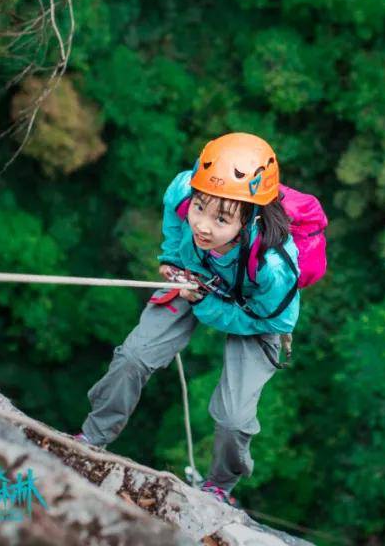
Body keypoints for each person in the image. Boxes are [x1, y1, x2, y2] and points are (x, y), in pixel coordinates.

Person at [74, 133, 300, 507]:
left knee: (234, 418)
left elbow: (269, 318)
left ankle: (219, 487)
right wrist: (173, 262)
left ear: (250, 218)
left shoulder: (275, 267)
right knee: (132, 357)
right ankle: (91, 438)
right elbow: (176, 219)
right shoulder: (184, 190)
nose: (203, 226)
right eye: (199, 208)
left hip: (253, 316)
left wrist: (207, 304)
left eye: (222, 218)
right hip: (195, 281)